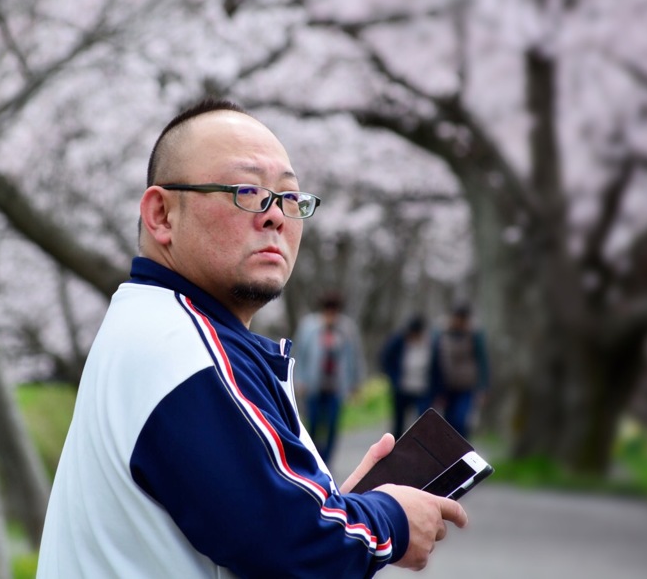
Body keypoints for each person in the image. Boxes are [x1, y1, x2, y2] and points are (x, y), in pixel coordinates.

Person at [37, 99, 467, 578]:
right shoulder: (182, 348)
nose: (275, 217)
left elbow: (255, 531)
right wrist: (390, 519)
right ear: (161, 215)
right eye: (246, 191)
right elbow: (287, 543)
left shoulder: (154, 325)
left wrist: (336, 508)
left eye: (289, 197)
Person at [293, 290, 362, 463]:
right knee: (313, 424)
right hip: (313, 385)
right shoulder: (309, 326)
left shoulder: (347, 329)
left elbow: (355, 357)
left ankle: (326, 462)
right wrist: (298, 380)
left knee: (332, 425)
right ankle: (312, 459)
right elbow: (299, 354)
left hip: (337, 387)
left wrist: (356, 384)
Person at [429, 304, 490, 440]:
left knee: (460, 419)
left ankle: (463, 450)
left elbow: (482, 361)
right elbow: (435, 360)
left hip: (467, 386)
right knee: (448, 422)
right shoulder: (441, 333)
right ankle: (450, 451)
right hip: (446, 386)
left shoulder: (475, 335)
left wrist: (483, 387)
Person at [381, 314, 434, 438]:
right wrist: (393, 379)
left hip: (422, 389)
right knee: (398, 422)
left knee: (422, 421)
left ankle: (418, 448)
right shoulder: (399, 340)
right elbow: (385, 358)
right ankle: (396, 447)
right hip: (402, 388)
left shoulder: (430, 343)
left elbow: (436, 367)